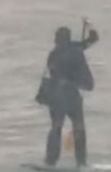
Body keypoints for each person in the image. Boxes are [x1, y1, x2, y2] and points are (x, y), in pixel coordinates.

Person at [43, 24, 99, 167]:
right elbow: (90, 42)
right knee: (79, 128)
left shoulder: (54, 54)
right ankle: (81, 162)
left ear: (58, 40)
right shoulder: (75, 50)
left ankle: (50, 161)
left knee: (56, 127)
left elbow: (53, 73)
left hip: (57, 97)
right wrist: (91, 32)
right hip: (72, 96)